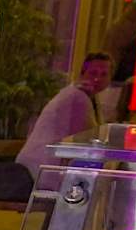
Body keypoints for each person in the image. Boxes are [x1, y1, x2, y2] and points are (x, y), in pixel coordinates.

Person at [16, 51, 113, 185]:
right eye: (93, 73)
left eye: (104, 74)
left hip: (39, 165)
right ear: (82, 74)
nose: (98, 79)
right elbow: (90, 139)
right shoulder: (78, 97)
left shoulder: (82, 94)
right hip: (41, 169)